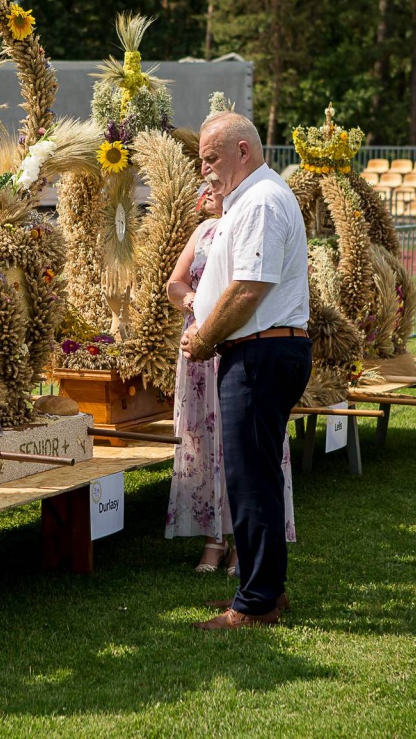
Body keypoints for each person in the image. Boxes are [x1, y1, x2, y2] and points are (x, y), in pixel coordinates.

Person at [182, 112, 312, 630]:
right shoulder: (255, 197)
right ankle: (265, 590)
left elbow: (248, 288)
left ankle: (255, 602)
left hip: (260, 353)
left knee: (250, 478)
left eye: (211, 159)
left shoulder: (259, 200)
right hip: (261, 350)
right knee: (254, 475)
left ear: (243, 150)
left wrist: (205, 336)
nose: (206, 171)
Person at [165, 183, 297, 573]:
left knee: (242, 442)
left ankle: (245, 540)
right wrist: (190, 298)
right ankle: (212, 537)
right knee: (203, 439)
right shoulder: (203, 232)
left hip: (239, 340)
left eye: (212, 184)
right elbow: (174, 283)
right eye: (202, 186)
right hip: (197, 348)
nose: (206, 190)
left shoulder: (249, 220)